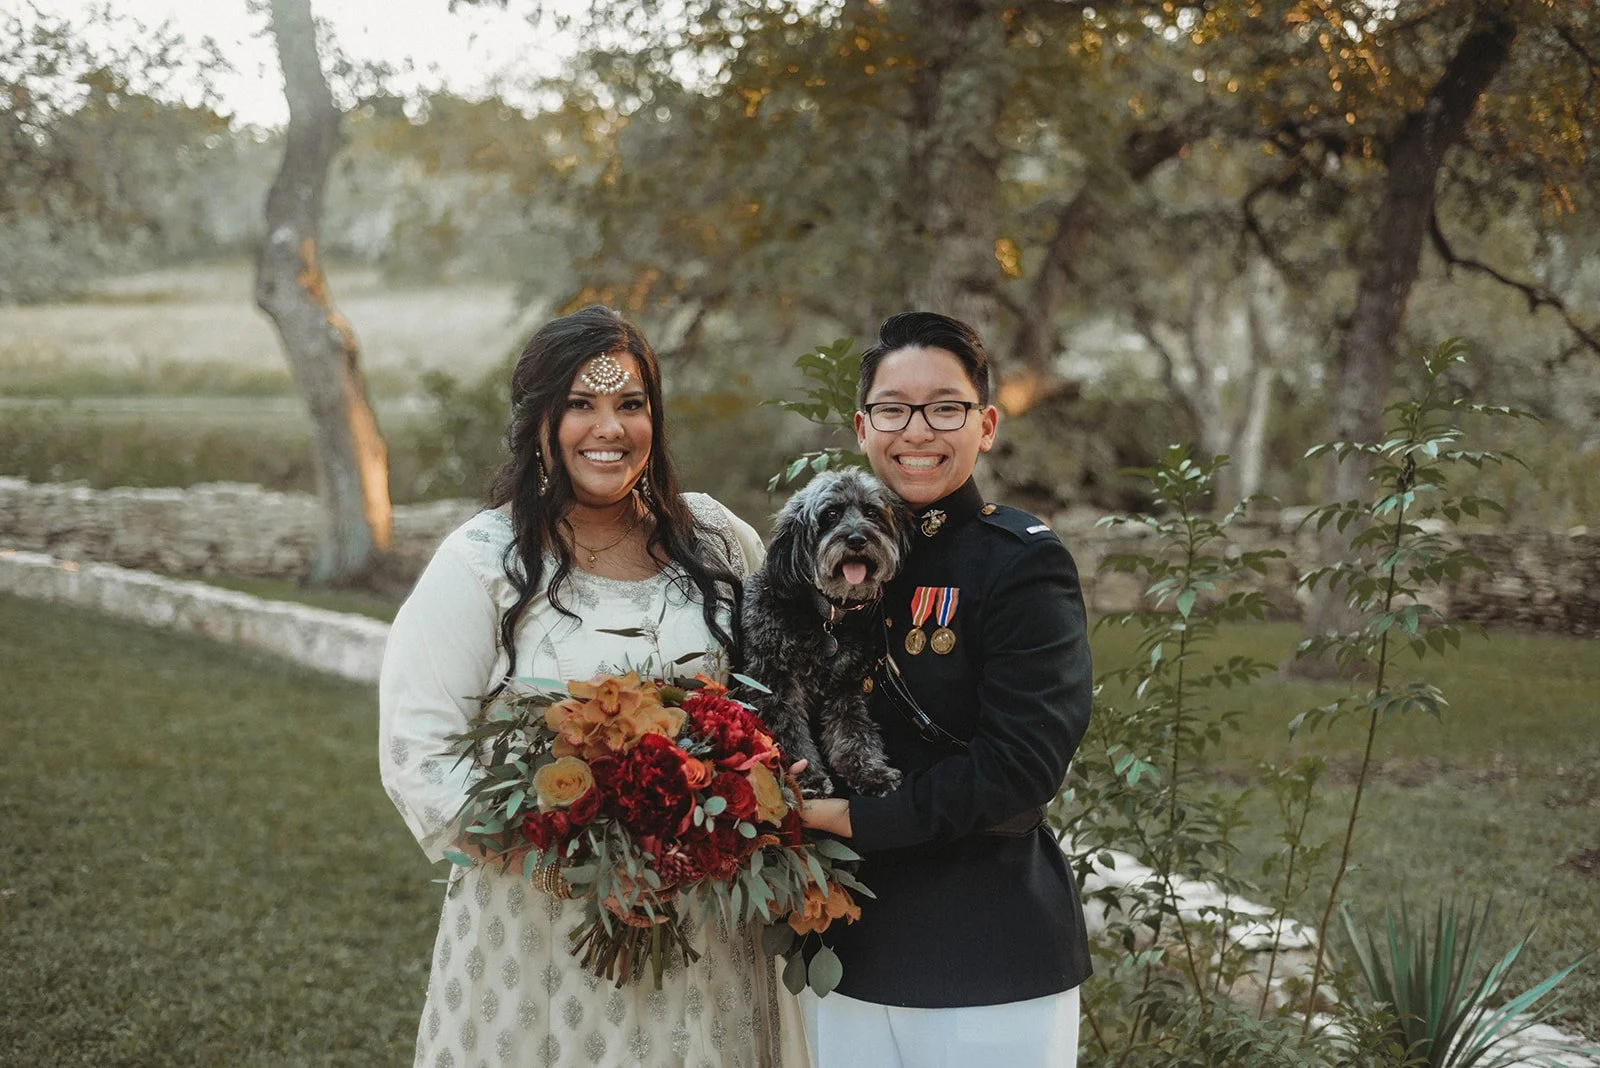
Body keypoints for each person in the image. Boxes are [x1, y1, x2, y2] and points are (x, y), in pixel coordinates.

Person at [379, 305, 806, 1068]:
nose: (608, 427)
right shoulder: (482, 562)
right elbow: (419, 759)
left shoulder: (716, 541)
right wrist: (581, 863)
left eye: (630, 404)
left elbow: (784, 689)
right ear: (539, 421)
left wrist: (746, 807)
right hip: (540, 928)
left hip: (705, 924)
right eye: (580, 404)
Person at [797, 312, 1093, 1067]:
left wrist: (843, 816)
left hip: (986, 950)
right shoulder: (816, 564)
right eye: (894, 409)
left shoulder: (1019, 564)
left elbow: (1020, 768)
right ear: (863, 427)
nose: (917, 431)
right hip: (849, 951)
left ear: (986, 424)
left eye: (945, 408)